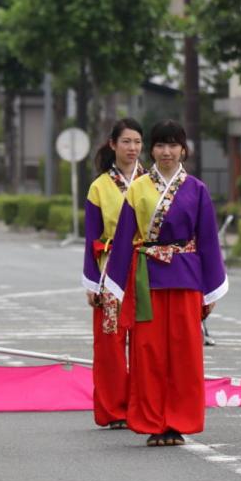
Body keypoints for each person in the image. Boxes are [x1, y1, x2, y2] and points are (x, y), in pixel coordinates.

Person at [102, 120, 228, 447]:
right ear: (152, 149)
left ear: (183, 149)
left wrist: (210, 288)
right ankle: (153, 422)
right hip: (147, 278)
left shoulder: (197, 189)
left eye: (173, 145)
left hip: (186, 278)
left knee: (185, 354)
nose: (167, 152)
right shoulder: (138, 189)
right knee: (148, 352)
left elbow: (209, 242)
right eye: (160, 145)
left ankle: (178, 422)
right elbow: (123, 238)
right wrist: (114, 288)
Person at [82, 118, 144, 430]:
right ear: (113, 145)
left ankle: (146, 405)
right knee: (110, 342)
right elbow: (91, 236)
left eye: (137, 142)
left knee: (147, 340)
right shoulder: (99, 187)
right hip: (111, 270)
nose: (132, 148)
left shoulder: (154, 182)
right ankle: (115, 408)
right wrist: (92, 282)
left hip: (148, 269)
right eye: (126, 142)